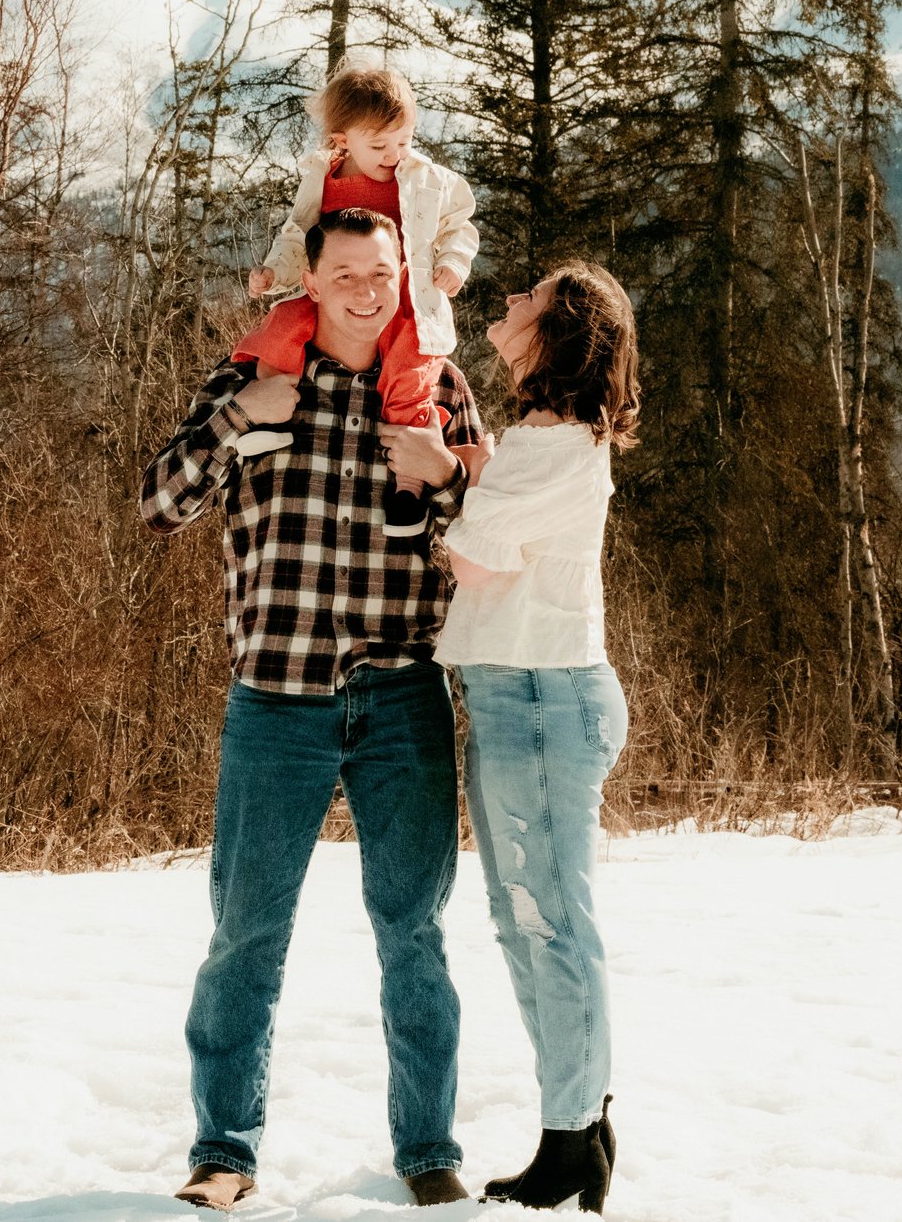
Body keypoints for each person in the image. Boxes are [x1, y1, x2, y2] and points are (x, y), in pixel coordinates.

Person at [140, 207, 488, 1211]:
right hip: (276, 698)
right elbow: (159, 500)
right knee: (245, 932)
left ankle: (428, 1151)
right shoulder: (253, 375)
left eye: (383, 269)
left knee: (412, 932)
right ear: (312, 274)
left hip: (401, 693)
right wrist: (232, 420)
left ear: (403, 273)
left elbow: (503, 526)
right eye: (346, 269)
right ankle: (223, 1149)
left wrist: (448, 475)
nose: (367, 286)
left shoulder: (435, 387)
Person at [434, 263, 641, 1215]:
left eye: (530, 298)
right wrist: (473, 484)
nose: (507, 304)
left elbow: (476, 559)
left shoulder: (558, 445)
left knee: (551, 917)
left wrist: (441, 480)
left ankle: (574, 1140)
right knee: (527, 917)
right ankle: (578, 1122)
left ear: (557, 332)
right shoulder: (537, 442)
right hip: (514, 694)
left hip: (545, 698)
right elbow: (496, 531)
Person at [238, 65, 477, 540]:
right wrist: (275, 272)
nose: (394, 155)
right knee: (282, 325)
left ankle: (407, 486)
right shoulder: (321, 178)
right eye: (380, 146)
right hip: (338, 297)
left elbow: (458, 224)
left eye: (404, 141)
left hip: (403, 298)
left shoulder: (425, 178)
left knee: (409, 373)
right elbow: (298, 236)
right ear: (342, 140)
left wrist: (452, 263)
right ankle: (272, 415)